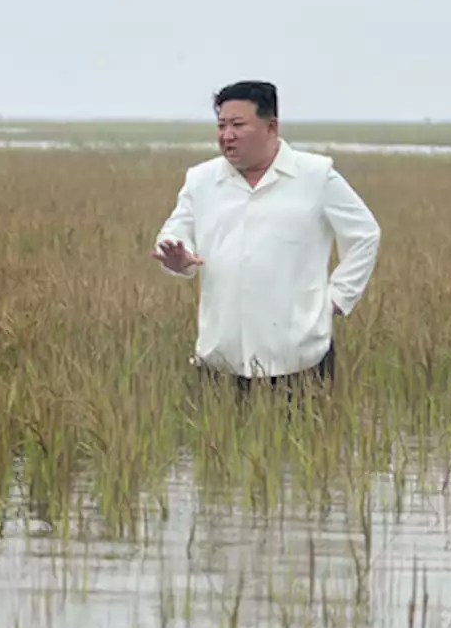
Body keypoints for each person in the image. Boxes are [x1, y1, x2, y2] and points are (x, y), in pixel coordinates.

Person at [152, 80, 381, 395]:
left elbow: (365, 234)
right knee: (218, 443)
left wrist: (339, 298)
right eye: (221, 125)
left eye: (237, 125)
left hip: (299, 359)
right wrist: (178, 258)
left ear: (271, 126)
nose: (226, 135)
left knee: (306, 444)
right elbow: (175, 233)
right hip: (221, 359)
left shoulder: (315, 175)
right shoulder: (201, 180)